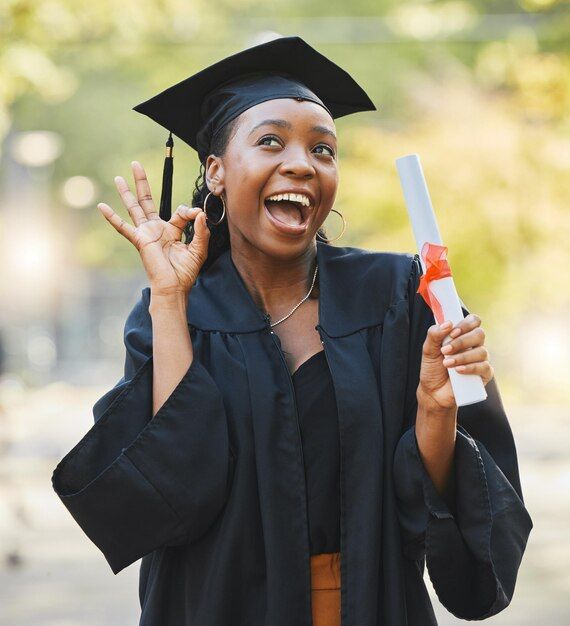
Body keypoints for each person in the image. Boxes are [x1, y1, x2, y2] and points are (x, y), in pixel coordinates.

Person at [51, 36, 533, 626]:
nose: (303, 164)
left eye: (323, 149)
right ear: (217, 172)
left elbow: (429, 511)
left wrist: (437, 412)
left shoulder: (394, 295)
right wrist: (172, 299)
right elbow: (173, 492)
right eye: (271, 141)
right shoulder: (175, 309)